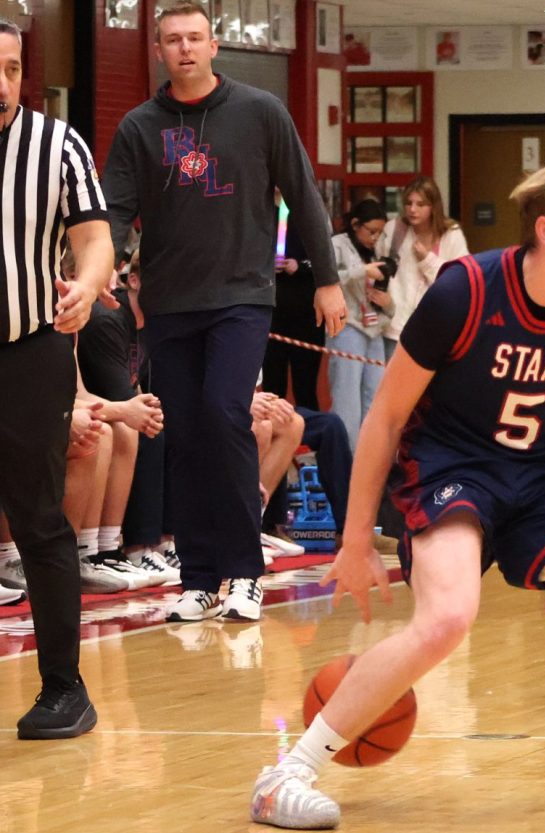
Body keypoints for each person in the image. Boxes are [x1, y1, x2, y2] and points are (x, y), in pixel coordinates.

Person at [250, 161, 545, 829]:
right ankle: (285, 773)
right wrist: (355, 538)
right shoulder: (466, 290)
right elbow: (386, 417)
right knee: (448, 618)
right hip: (450, 467)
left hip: (544, 476)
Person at [102, 2, 346, 623]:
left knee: (225, 414)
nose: (185, 48)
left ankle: (244, 572)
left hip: (241, 297)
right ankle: (199, 578)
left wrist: (327, 280)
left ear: (214, 47)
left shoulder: (260, 111)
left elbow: (303, 195)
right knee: (184, 433)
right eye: (173, 40)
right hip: (169, 302)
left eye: (195, 38)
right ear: (158, 50)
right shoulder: (138, 127)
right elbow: (116, 213)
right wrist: (101, 267)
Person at [0, 18, 114, 738]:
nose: (3, 83)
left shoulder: (58, 144)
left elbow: (96, 237)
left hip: (28, 348)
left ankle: (64, 689)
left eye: (13, 69)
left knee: (39, 518)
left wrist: (89, 284)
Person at [378, 176, 468, 360]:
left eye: (420, 204)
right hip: (395, 326)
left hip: (434, 329)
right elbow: (378, 266)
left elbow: (459, 282)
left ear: (433, 206)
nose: (412, 209)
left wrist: (427, 260)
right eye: (408, 203)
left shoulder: (451, 234)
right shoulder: (394, 229)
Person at [328, 199, 394, 451]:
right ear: (355, 225)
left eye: (380, 232)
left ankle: (369, 458)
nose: (375, 238)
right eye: (371, 231)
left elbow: (384, 300)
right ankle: (346, 461)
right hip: (347, 328)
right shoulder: (338, 244)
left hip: (375, 329)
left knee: (374, 399)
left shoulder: (377, 250)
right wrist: (362, 270)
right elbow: (327, 277)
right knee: (347, 401)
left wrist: (389, 305)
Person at [262, 195, 326, 412]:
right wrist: (266, 263)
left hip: (306, 315)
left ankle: (309, 430)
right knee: (272, 387)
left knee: (305, 386)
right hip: (271, 314)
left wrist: (300, 266)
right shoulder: (258, 209)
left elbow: (326, 258)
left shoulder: (310, 211)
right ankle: (273, 431)